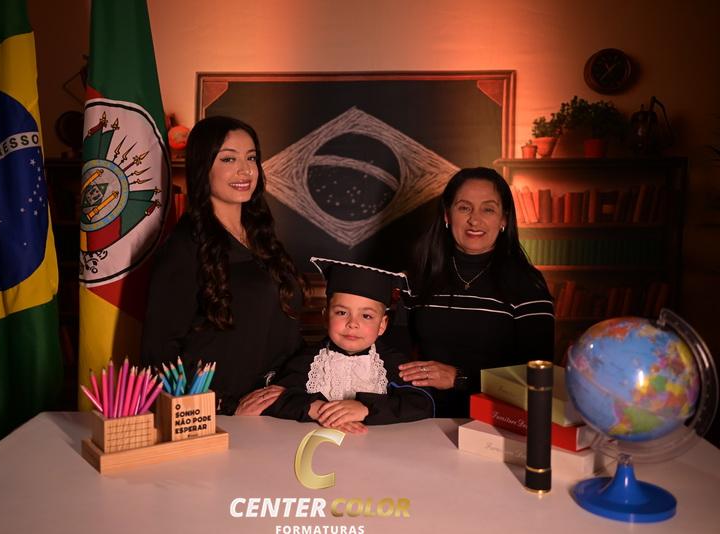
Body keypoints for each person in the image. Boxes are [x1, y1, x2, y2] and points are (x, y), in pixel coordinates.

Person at [140, 116, 303, 415]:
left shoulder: (263, 237)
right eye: (229, 159)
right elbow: (160, 349)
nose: (245, 170)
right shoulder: (184, 247)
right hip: (222, 415)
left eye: (251, 158)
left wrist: (289, 388)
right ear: (203, 167)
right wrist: (222, 406)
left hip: (278, 406)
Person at [397, 167, 554, 417]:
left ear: (504, 219)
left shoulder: (527, 284)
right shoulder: (418, 277)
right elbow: (395, 353)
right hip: (419, 415)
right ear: (447, 215)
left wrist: (460, 378)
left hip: (494, 421)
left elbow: (537, 375)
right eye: (464, 207)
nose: (475, 220)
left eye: (488, 209)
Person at [265, 258, 434, 433]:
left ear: (382, 325)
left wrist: (366, 409)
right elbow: (274, 399)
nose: (353, 323)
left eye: (366, 316)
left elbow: (421, 403)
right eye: (341, 312)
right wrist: (320, 409)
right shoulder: (306, 361)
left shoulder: (394, 363)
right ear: (326, 317)